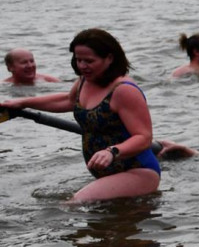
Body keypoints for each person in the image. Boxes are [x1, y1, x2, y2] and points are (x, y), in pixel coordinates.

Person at [0, 29, 160, 202]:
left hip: (138, 170)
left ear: (110, 58)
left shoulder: (124, 90)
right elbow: (68, 101)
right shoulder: (85, 80)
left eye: (89, 61)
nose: (82, 66)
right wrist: (23, 103)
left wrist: (112, 152)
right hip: (108, 174)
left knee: (73, 204)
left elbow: (144, 137)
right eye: (78, 60)